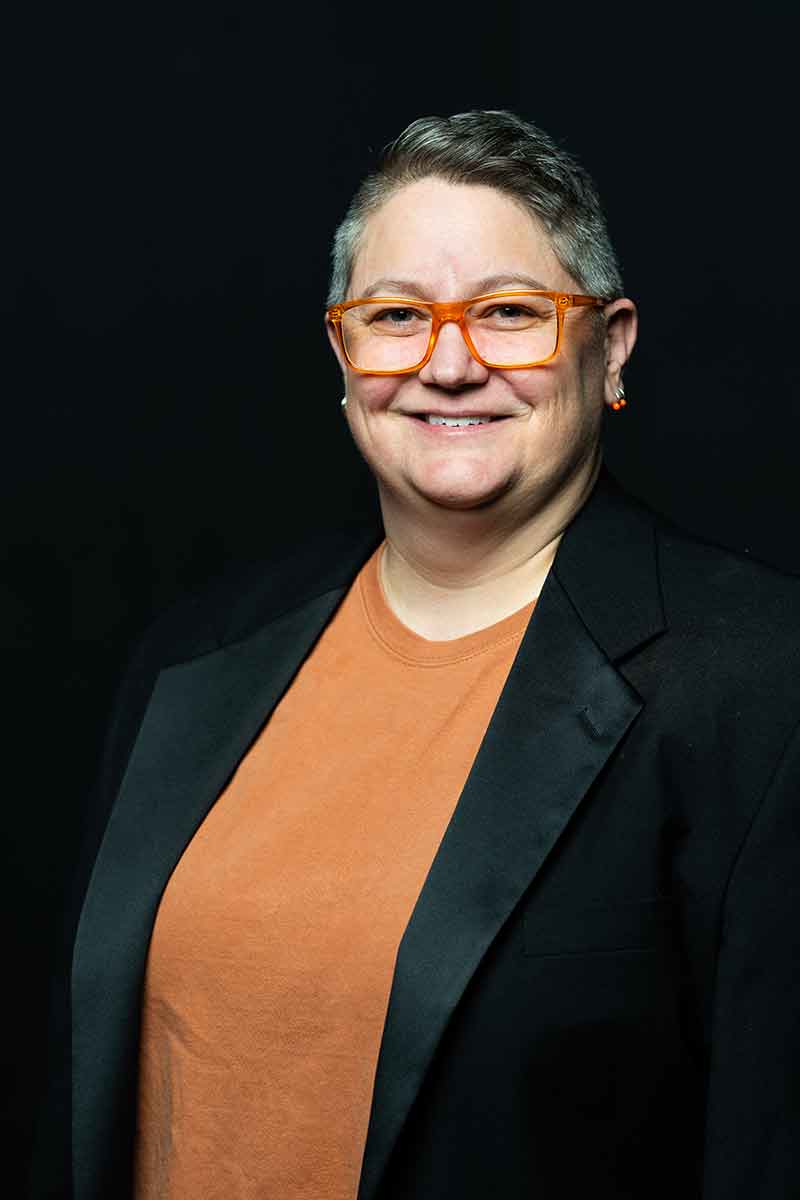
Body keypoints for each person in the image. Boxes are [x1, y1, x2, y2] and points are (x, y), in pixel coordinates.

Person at [30, 110, 800, 1200]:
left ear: (611, 344)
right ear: (343, 353)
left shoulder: (760, 685)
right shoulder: (196, 652)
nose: (447, 364)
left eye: (509, 313)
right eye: (395, 316)